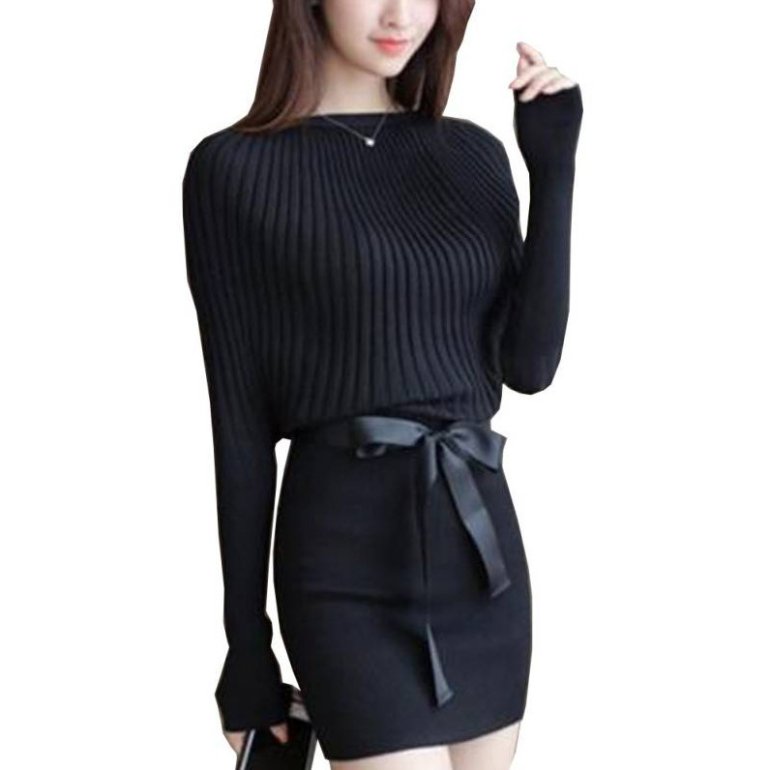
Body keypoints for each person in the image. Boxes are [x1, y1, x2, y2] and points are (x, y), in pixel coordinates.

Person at [182, 1, 583, 768]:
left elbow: (530, 368)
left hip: (481, 558)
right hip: (344, 564)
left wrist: (554, 168)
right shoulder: (232, 168)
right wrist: (246, 646)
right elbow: (238, 428)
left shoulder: (473, 154)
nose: (402, 13)